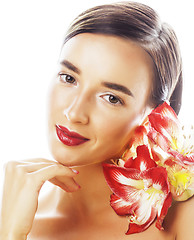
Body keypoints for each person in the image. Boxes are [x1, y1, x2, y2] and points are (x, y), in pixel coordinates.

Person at [0, 1, 193, 239]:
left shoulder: (180, 218)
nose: (74, 113)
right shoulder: (14, 216)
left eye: (111, 98)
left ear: (154, 116)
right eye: (68, 78)